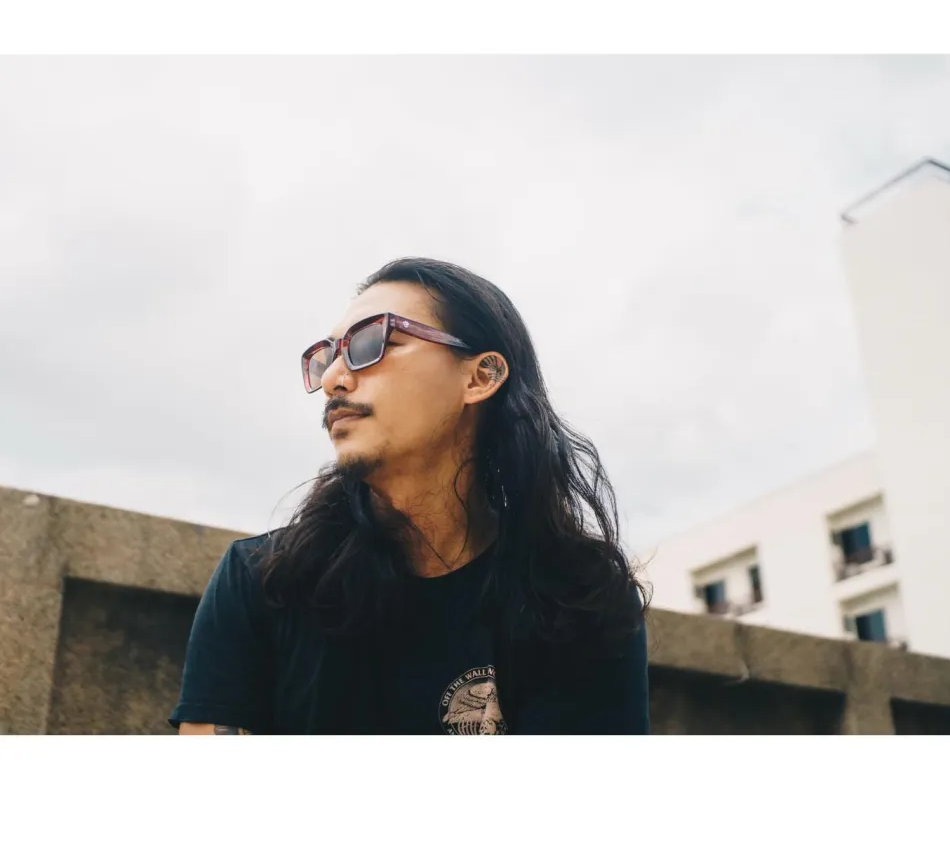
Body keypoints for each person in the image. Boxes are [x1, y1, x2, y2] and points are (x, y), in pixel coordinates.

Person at [169, 257, 651, 735]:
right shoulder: (262, 581)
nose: (333, 379)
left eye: (372, 342)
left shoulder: (579, 600)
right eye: (327, 357)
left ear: (480, 376)